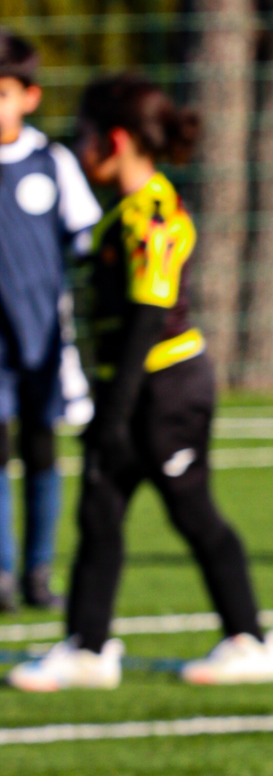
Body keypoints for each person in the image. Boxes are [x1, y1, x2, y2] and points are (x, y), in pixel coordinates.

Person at [9, 73, 273, 692]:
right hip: (130, 388)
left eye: (82, 137)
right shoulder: (127, 211)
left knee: (192, 511)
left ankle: (251, 640)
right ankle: (88, 645)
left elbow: (147, 315)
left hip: (166, 391)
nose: (77, 150)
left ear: (112, 141)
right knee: (100, 508)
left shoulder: (153, 214)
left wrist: (114, 411)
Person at [0, 31, 101, 613]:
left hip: (40, 340)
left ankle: (39, 571)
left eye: (5, 93)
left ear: (29, 97)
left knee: (41, 451)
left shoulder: (51, 160)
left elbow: (86, 237)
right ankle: (2, 575)